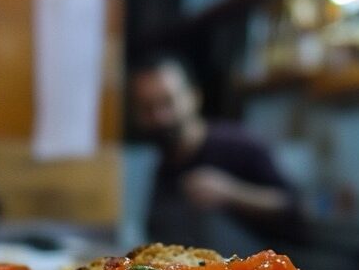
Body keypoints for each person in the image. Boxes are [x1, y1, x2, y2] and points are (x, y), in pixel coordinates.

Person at [129, 54, 300, 252]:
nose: (160, 117)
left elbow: (291, 204)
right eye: (148, 109)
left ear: (194, 97)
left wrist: (231, 192)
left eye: (167, 102)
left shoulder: (237, 144)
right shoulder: (159, 163)